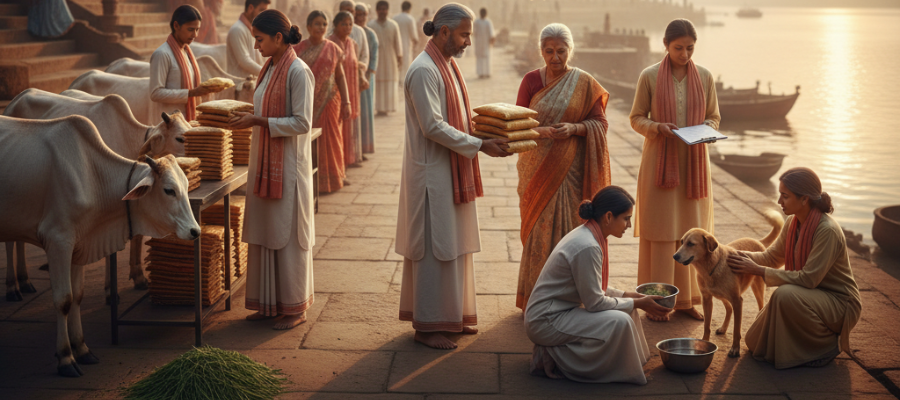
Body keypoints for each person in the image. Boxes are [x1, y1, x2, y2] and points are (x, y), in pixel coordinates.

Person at [396, 3, 511, 350]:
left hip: (450, 170)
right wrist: (480, 144)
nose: (467, 42)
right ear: (443, 32)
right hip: (433, 174)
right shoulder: (423, 70)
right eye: (464, 35)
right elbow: (432, 126)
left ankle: (453, 316)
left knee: (454, 246)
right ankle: (428, 326)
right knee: (435, 248)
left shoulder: (444, 65)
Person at [525, 186, 671, 384]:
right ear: (609, 217)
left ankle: (633, 364)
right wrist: (637, 302)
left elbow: (592, 287)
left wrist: (630, 296)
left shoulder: (589, 235)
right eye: (626, 218)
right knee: (621, 321)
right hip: (545, 321)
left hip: (559, 312)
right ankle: (554, 356)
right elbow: (594, 303)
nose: (629, 225)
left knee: (628, 308)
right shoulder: (588, 246)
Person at [514, 23, 611, 311]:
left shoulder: (584, 82)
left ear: (571, 50)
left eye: (561, 51)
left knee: (571, 230)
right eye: (548, 51)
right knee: (537, 231)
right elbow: (517, 125)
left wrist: (575, 128)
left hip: (572, 171)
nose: (555, 57)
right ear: (540, 51)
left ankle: (570, 298)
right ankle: (534, 298)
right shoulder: (531, 81)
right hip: (536, 168)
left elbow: (601, 124)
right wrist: (543, 132)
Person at [628, 18, 720, 322]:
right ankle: (656, 301)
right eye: (678, 48)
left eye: (690, 48)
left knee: (691, 234)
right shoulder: (649, 76)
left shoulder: (705, 77)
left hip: (694, 166)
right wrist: (657, 127)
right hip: (660, 163)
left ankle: (687, 301)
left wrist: (705, 129)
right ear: (666, 46)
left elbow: (714, 118)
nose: (685, 54)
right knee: (661, 234)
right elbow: (636, 118)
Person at [229, 9, 315, 330]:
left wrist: (257, 120)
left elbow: (302, 122)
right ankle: (269, 303)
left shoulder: (298, 71)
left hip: (288, 170)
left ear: (278, 38)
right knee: (266, 235)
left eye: (259, 40)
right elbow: (266, 106)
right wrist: (249, 113)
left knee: (288, 237)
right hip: (266, 164)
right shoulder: (270, 67)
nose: (255, 47)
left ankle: (294, 308)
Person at [728, 168, 862, 369]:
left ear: (804, 199)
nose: (779, 202)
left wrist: (758, 270)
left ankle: (826, 346)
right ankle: (801, 346)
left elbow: (809, 280)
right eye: (780, 195)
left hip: (839, 302)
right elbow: (772, 257)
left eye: (785, 196)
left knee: (784, 295)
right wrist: (734, 255)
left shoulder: (827, 231)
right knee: (753, 341)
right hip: (810, 295)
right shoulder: (793, 221)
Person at [294, 10, 352, 194]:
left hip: (330, 101)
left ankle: (334, 178)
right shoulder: (298, 50)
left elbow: (340, 76)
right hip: (306, 102)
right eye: (317, 24)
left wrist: (347, 102)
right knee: (308, 142)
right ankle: (309, 182)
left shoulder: (333, 48)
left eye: (324, 24)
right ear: (309, 27)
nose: (321, 27)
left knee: (332, 139)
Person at [150, 5, 226, 123]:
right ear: (176, 26)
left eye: (197, 30)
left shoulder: (188, 53)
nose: (195, 35)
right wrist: (191, 93)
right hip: (169, 124)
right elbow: (155, 93)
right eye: (190, 29)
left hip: (188, 121)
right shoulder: (162, 54)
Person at [336, 0, 370, 165]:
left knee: (353, 121)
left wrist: (361, 74)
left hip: (354, 81)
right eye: (345, 11)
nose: (349, 15)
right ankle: (340, 159)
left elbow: (363, 56)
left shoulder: (358, 34)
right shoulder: (332, 34)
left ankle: (353, 156)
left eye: (352, 11)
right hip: (338, 86)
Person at [329, 12, 363, 172]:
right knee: (337, 130)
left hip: (351, 90)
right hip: (334, 94)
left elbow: (356, 64)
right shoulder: (329, 43)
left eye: (350, 24)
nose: (347, 27)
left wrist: (362, 76)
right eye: (344, 24)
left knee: (349, 126)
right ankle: (338, 168)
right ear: (335, 25)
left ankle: (347, 162)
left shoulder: (352, 44)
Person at [368, 0, 402, 116]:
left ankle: (388, 107)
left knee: (389, 83)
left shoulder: (393, 25)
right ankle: (379, 108)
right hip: (376, 60)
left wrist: (399, 57)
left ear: (387, 10)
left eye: (384, 9)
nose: (382, 11)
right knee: (377, 83)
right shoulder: (371, 25)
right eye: (380, 9)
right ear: (377, 11)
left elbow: (398, 43)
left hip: (390, 59)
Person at [356, 3, 379, 154]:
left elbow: (373, 57)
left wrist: (366, 74)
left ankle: (365, 147)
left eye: (364, 14)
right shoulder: (350, 31)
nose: (362, 17)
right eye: (359, 14)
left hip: (365, 78)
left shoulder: (370, 34)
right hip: (350, 77)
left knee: (365, 112)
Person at [227, 0, 270, 78]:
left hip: (251, 85)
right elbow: (244, 61)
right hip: (238, 86)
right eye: (261, 10)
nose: (264, 16)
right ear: (251, 8)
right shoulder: (237, 30)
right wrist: (268, 74)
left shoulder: (254, 31)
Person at [392, 1, 419, 86]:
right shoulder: (410, 19)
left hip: (395, 45)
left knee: (396, 63)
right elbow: (414, 36)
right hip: (406, 44)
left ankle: (397, 80)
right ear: (409, 9)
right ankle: (404, 81)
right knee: (406, 63)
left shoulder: (394, 18)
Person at [473, 8, 494, 78]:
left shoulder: (488, 22)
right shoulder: (477, 22)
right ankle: (480, 73)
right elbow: (473, 32)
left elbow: (491, 33)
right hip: (478, 42)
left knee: (487, 57)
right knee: (479, 58)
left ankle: (487, 73)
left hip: (486, 43)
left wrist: (491, 40)